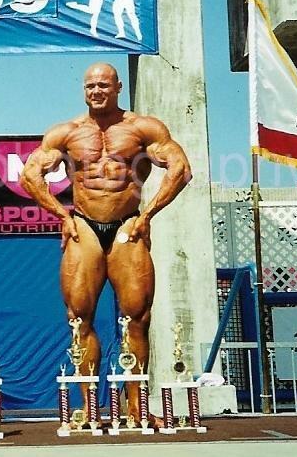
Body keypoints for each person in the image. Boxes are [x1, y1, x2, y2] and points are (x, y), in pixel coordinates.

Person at [22, 62, 192, 426]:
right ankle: (89, 409)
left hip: (127, 225)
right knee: (78, 318)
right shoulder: (66, 133)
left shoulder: (143, 128)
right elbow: (30, 175)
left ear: (117, 87)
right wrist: (62, 216)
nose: (96, 91)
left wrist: (148, 215)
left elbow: (180, 168)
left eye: (103, 85)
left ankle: (137, 409)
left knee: (137, 317)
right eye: (90, 86)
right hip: (83, 224)